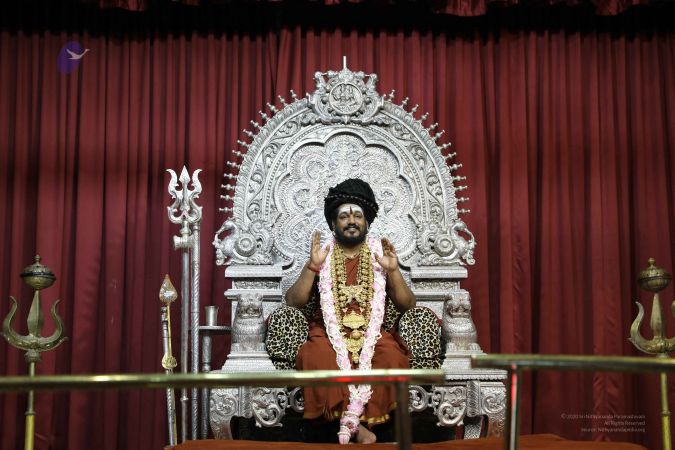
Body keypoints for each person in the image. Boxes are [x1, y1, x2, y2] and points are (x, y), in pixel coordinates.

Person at [286, 178, 416, 444]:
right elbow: (293, 302)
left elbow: (407, 305)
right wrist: (312, 267)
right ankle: (357, 430)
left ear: (367, 222)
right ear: (333, 224)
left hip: (373, 335)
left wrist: (393, 271)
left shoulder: (380, 255)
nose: (352, 221)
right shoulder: (323, 255)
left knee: (392, 358)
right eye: (344, 216)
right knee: (315, 357)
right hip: (328, 335)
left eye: (358, 215)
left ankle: (352, 427)